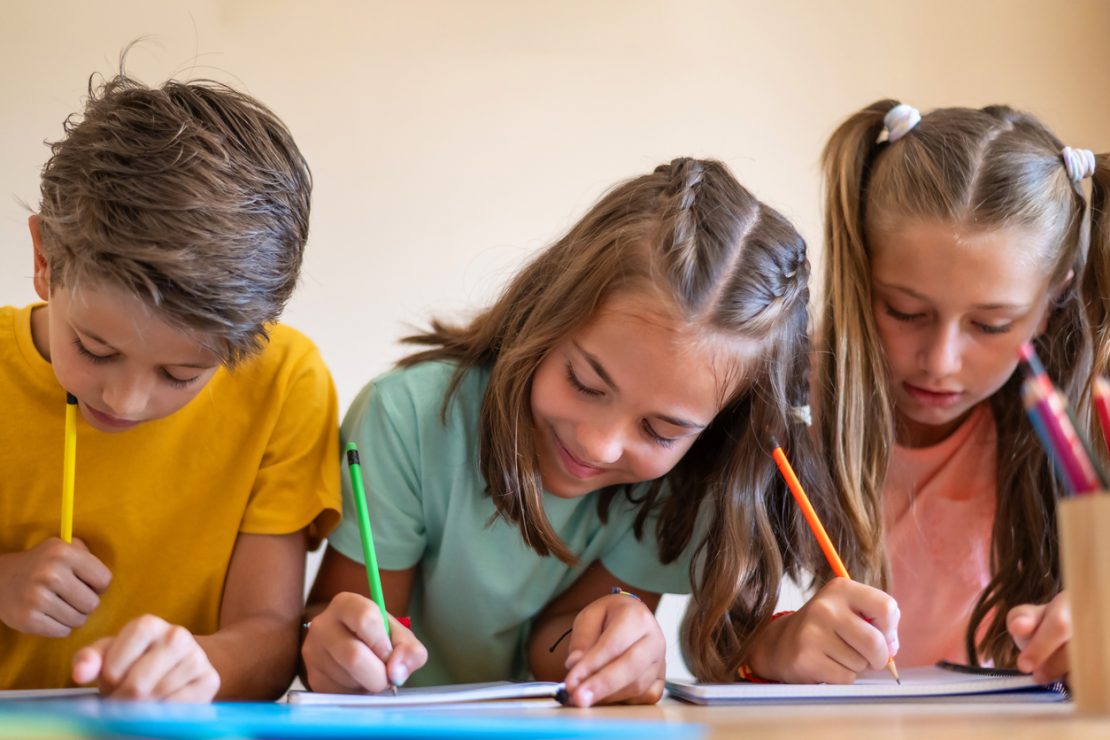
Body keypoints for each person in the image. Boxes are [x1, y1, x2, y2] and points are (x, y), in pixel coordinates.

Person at [301, 157, 825, 703]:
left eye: (662, 431)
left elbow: (549, 652)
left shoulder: (682, 484)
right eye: (584, 383)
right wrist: (331, 643)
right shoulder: (407, 417)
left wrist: (612, 638)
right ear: (546, 314)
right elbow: (345, 627)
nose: (599, 444)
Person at [0, 68, 340, 700]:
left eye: (182, 374)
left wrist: (206, 666)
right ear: (45, 260)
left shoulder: (286, 383)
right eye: (95, 349)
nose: (125, 400)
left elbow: (269, 635)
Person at [750, 100, 1107, 685]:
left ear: (1052, 300)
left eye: (991, 325)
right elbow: (715, 631)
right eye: (905, 310)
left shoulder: (1087, 427)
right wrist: (774, 645)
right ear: (861, 272)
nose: (940, 362)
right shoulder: (787, 405)